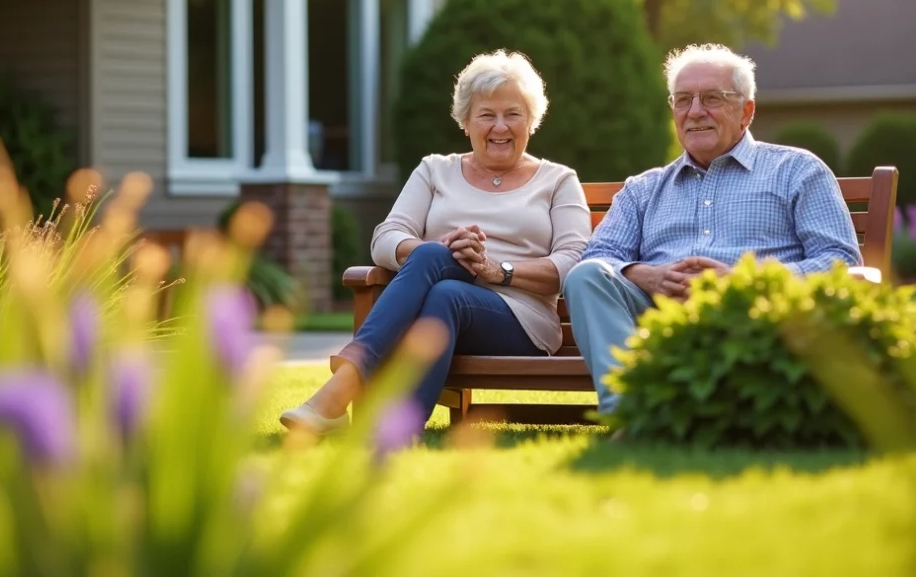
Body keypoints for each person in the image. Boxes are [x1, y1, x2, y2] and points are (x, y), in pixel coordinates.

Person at [280, 49, 591, 437]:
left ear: (531, 120)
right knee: (442, 280)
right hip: (439, 301)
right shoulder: (434, 170)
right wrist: (443, 249)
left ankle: (340, 392)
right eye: (486, 115)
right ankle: (398, 433)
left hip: (522, 322)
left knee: (447, 288)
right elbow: (385, 238)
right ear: (465, 121)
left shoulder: (558, 181)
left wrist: (497, 270)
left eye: (513, 114)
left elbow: (573, 262)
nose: (500, 127)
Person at [563, 43, 862, 415]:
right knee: (587, 276)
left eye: (712, 98)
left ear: (747, 111)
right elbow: (597, 258)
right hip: (660, 320)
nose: (695, 112)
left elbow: (841, 262)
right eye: (683, 99)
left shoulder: (797, 171)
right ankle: (632, 416)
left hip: (757, 318)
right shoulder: (643, 189)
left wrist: (745, 280)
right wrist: (651, 277)